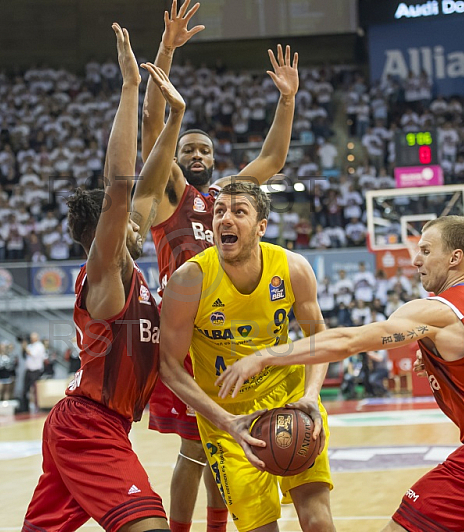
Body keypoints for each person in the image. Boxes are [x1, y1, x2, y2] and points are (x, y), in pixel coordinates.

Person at [218, 216, 464, 532]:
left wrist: (265, 356)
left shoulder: (433, 311)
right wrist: (451, 362)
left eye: (425, 251)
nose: (415, 260)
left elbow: (349, 341)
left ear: (455, 258)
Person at [141, 2, 300, 528]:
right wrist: (166, 51)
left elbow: (273, 161)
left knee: (218, 451)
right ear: (176, 155)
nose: (197, 153)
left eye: (205, 149)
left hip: (221, 337)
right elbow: (151, 126)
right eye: (188, 148)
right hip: (183, 335)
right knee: (192, 453)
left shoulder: (227, 200)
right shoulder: (171, 198)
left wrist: (287, 100)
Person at [24, 24, 181, 532]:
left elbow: (150, 180)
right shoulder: (106, 274)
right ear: (101, 236)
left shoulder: (128, 265)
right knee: (148, 525)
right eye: (126, 220)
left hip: (90, 423)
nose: (140, 219)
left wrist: (174, 114)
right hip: (90, 426)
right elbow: (121, 187)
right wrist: (130, 87)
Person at [159, 181, 334, 532]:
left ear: (261, 227)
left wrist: (311, 395)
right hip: (229, 418)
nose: (226, 219)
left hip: (291, 402)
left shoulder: (292, 268)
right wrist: (225, 422)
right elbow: (168, 366)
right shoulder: (189, 280)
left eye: (239, 212)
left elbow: (319, 337)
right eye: (220, 211)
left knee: (317, 519)